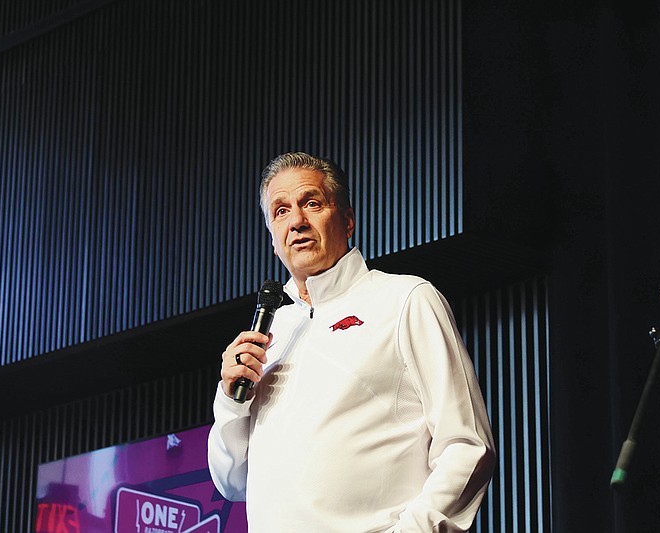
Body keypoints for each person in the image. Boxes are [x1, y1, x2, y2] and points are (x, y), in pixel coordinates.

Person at [208, 152, 495, 532]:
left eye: (312, 203)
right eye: (280, 211)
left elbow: (466, 445)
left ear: (347, 220)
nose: (296, 221)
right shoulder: (268, 337)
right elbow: (232, 481)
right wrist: (231, 401)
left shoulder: (405, 299)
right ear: (274, 242)